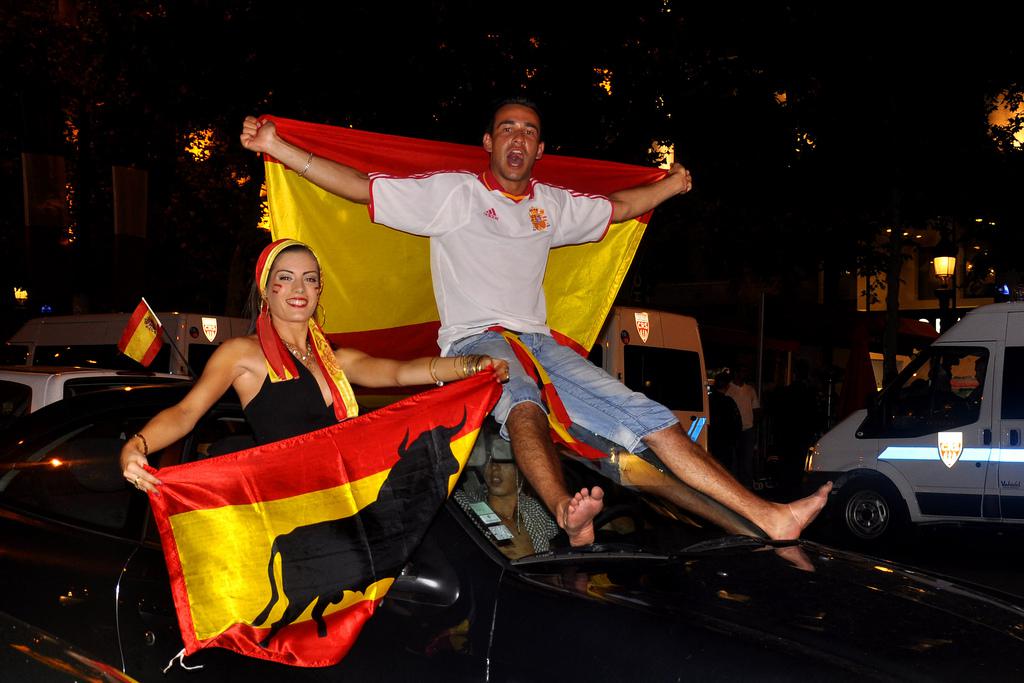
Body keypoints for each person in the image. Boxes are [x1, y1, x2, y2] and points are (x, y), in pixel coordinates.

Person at [239, 99, 831, 545]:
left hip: (541, 342)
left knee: (645, 415)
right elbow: (361, 188)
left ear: (540, 149)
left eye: (528, 131)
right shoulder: (455, 195)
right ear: (488, 142)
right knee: (522, 403)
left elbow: (622, 207)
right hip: (476, 341)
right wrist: (280, 147)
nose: (516, 138)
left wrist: (673, 185)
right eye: (506, 129)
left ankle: (769, 516)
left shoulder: (553, 205)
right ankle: (563, 510)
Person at [120, 238, 509, 492]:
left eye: (309, 279)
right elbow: (187, 412)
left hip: (345, 501)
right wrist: (137, 446)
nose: (298, 290)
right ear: (265, 289)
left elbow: (400, 372)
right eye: (285, 279)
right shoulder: (241, 354)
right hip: (284, 508)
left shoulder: (337, 360)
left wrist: (474, 365)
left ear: (319, 289)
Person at [455, 422, 558, 559]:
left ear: (523, 466)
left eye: (502, 455)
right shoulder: (463, 507)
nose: (494, 466)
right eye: (488, 457)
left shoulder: (537, 511)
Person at [725, 365, 760, 488]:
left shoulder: (750, 390)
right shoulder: (728, 388)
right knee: (733, 459)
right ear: (736, 373)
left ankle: (747, 487)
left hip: (748, 429)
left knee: (747, 460)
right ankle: (734, 486)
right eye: (742, 371)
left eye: (745, 372)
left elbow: (756, 409)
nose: (744, 374)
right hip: (733, 430)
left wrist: (754, 427)